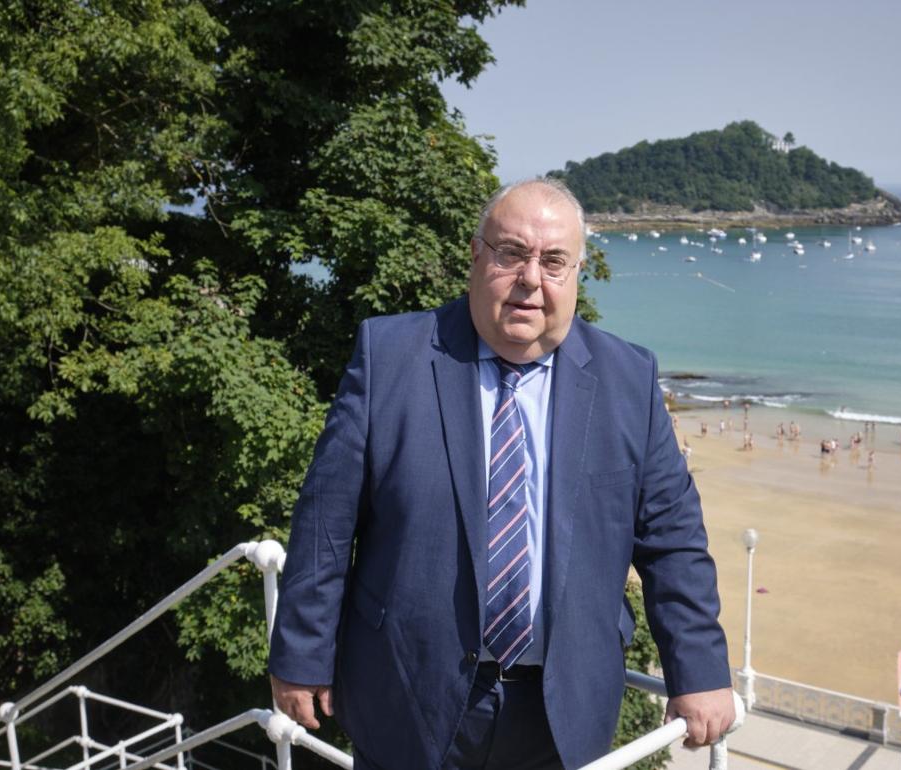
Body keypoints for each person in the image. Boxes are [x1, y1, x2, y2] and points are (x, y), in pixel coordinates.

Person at [267, 179, 734, 770]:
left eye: (554, 261)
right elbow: (326, 520)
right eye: (511, 253)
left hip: (561, 709)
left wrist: (699, 671)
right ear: (476, 255)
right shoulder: (390, 354)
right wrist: (302, 654)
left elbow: (672, 539)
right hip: (407, 690)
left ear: (576, 272)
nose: (531, 279)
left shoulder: (628, 378)